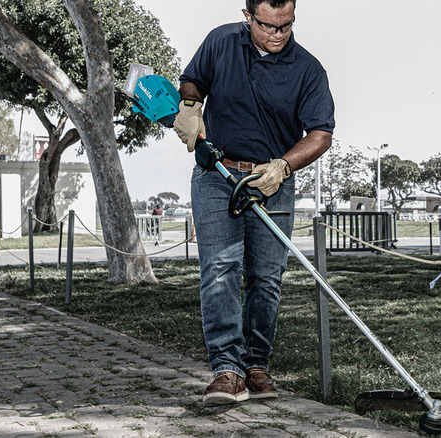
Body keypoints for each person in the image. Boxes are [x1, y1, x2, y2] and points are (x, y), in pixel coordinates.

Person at [172, 0, 335, 407]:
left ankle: (256, 365)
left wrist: (282, 166)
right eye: (267, 26)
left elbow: (320, 134)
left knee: (266, 277)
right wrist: (190, 106)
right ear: (248, 17)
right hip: (217, 175)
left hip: (273, 182)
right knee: (220, 271)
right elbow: (192, 80)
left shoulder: (309, 69)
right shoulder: (220, 42)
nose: (278, 34)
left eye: (286, 25)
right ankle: (227, 371)